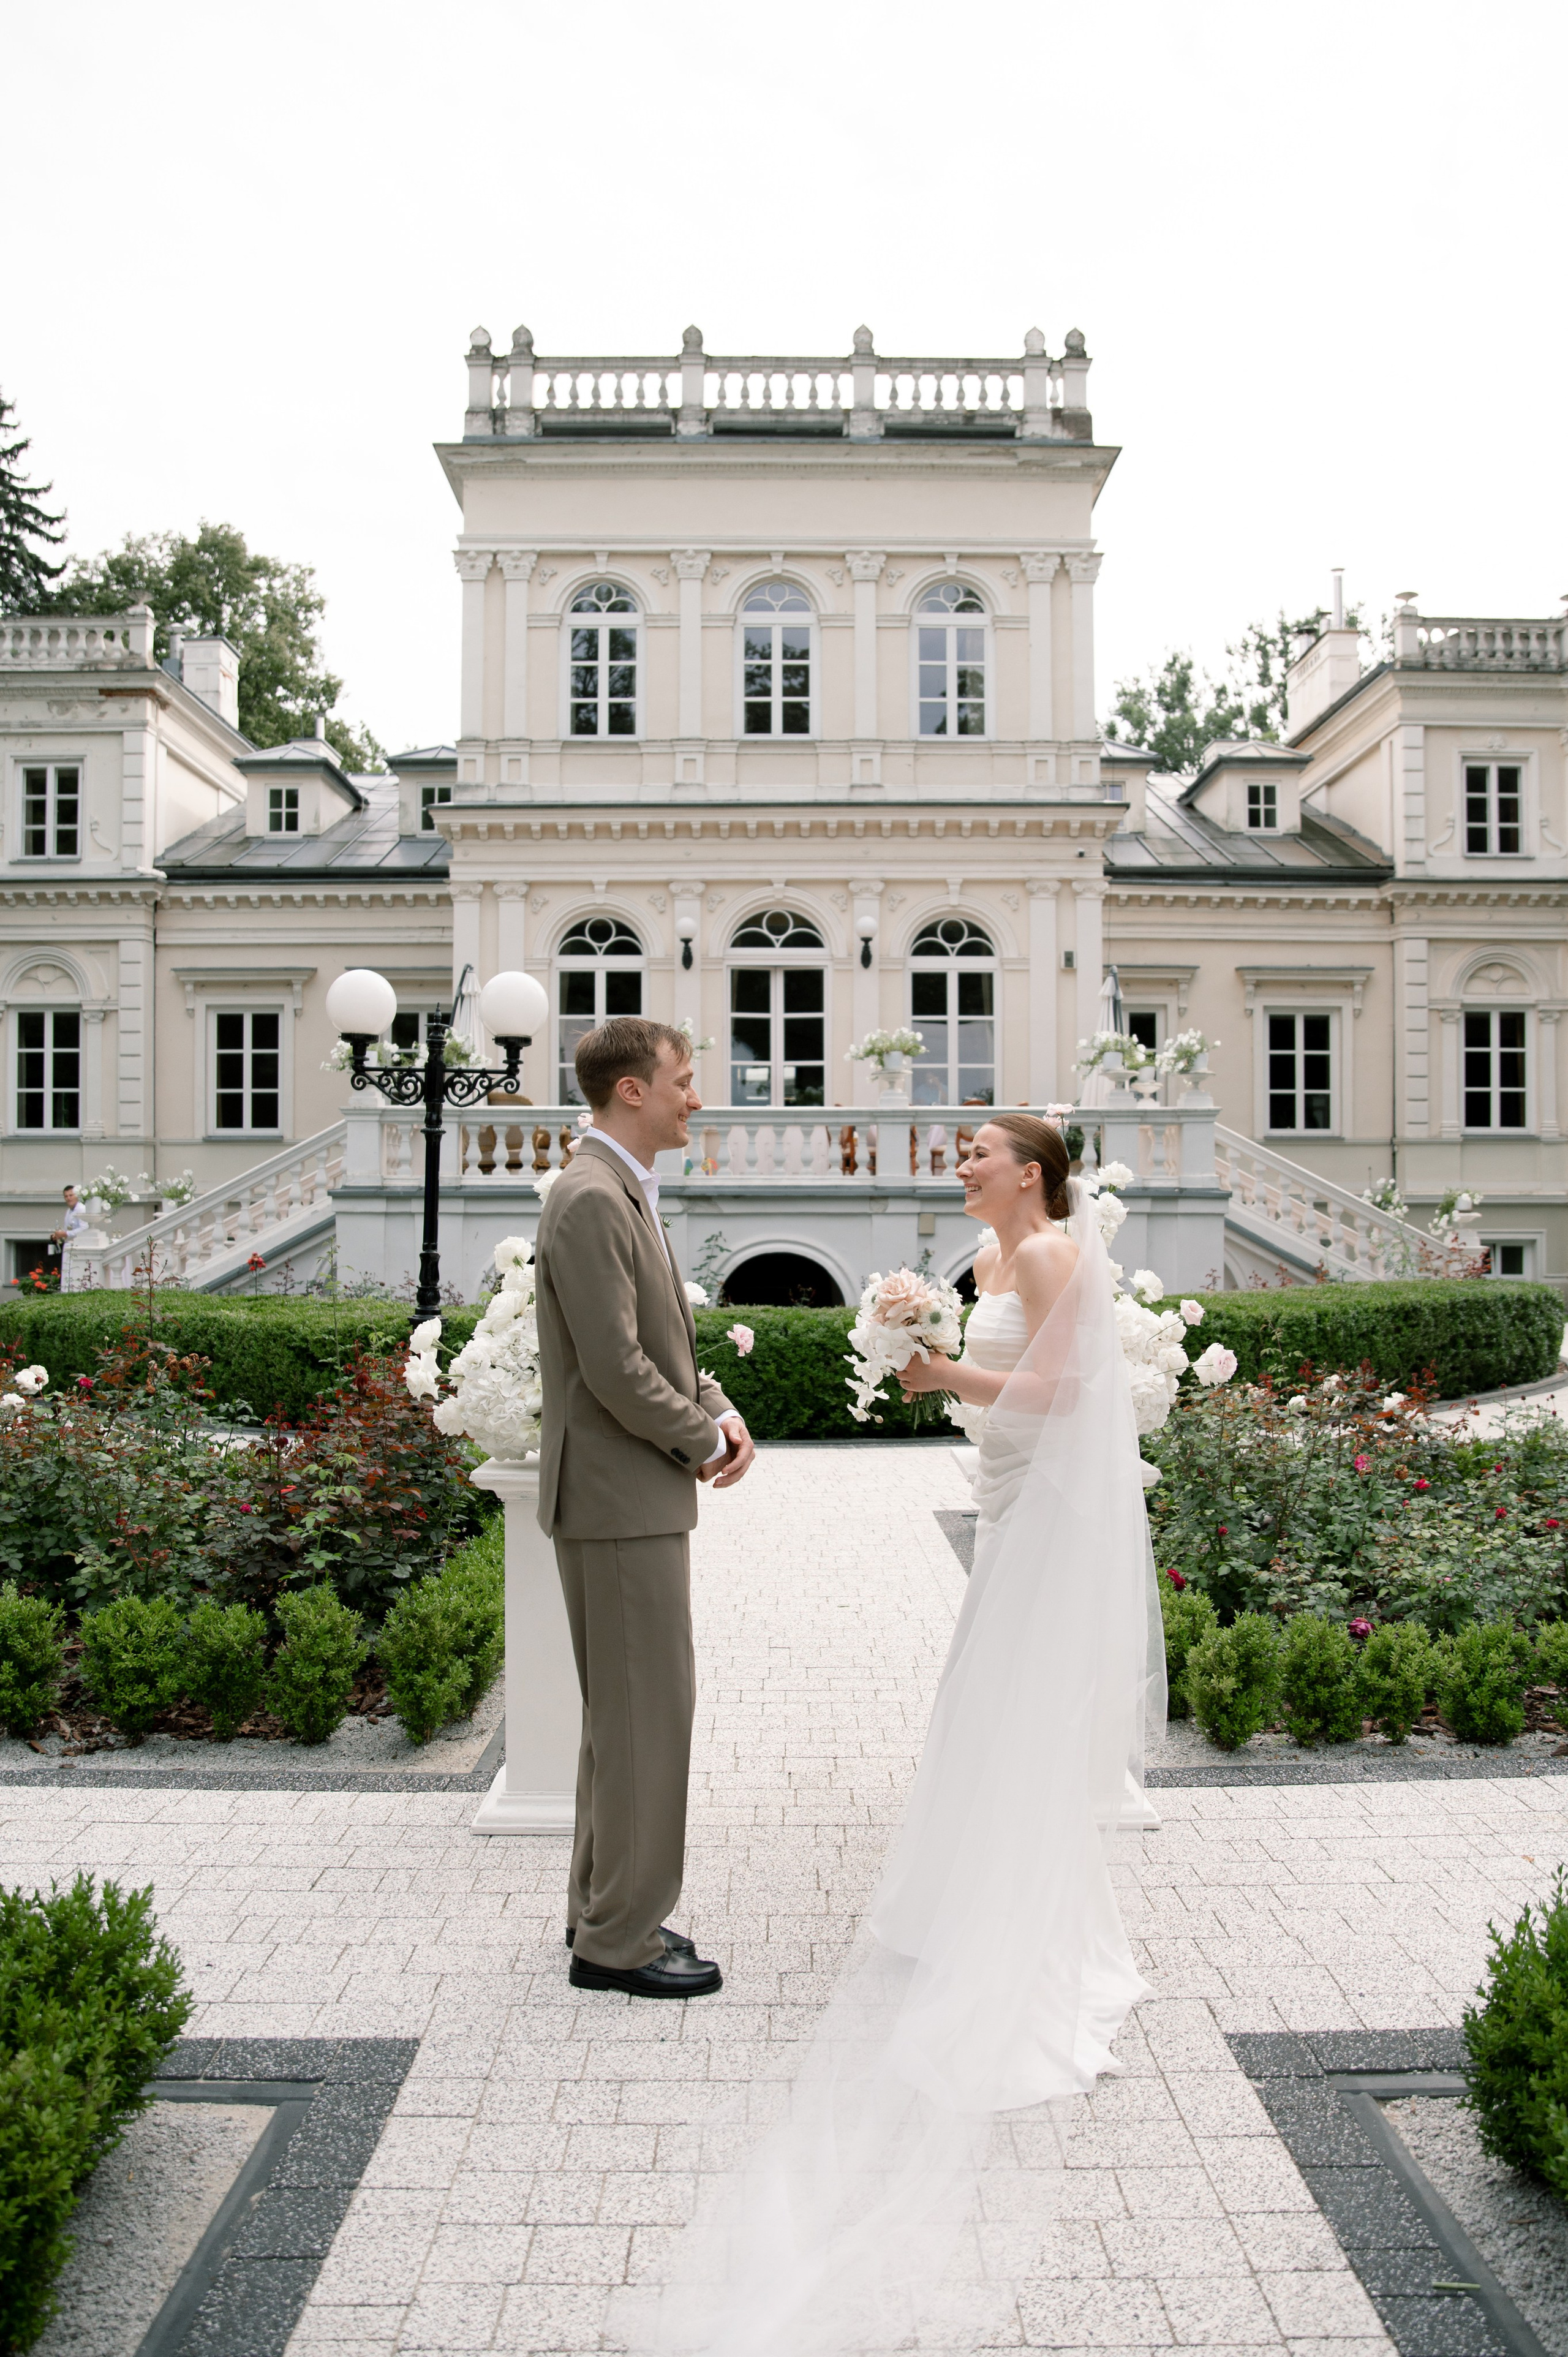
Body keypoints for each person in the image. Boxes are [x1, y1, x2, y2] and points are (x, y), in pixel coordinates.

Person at [644, 1112, 1160, 2355]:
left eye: (980, 1150)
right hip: (1004, 1487)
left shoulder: (1042, 1256)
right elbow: (1007, 1375)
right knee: (978, 1711)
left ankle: (1013, 1930)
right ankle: (980, 1901)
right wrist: (920, 1339)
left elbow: (1066, 1390)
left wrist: (941, 1377)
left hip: (1040, 1505)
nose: (961, 1159)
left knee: (1003, 1709)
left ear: (1027, 1174)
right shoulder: (987, 1262)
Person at [533, 1017, 755, 2001]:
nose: (695, 1095)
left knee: (625, 1720)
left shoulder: (619, 1187)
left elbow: (658, 1343)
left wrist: (717, 1407)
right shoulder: (590, 1196)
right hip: (619, 1500)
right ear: (632, 1091)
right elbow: (616, 1370)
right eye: (683, 1078)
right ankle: (617, 1943)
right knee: (646, 1721)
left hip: (631, 1496)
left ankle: (605, 1909)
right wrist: (700, 1441)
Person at [53, 1185, 90, 1292]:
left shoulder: (81, 1208)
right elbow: (67, 1229)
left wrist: (65, 1234)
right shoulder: (69, 1211)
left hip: (80, 1246)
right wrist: (59, 1235)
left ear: (77, 1196)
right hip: (70, 1245)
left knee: (76, 1273)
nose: (69, 1198)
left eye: (71, 1195)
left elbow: (84, 1228)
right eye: (66, 1196)